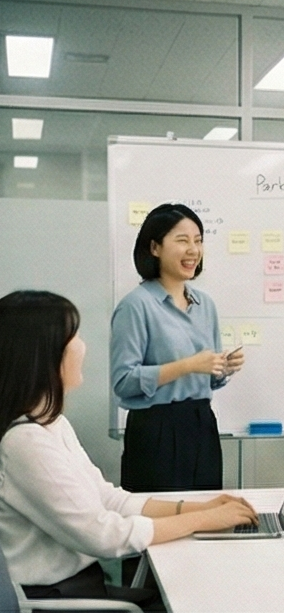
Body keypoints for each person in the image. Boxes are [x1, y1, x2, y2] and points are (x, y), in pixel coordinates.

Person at [0, 290, 258, 606]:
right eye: (73, 337)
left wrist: (200, 508)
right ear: (42, 356)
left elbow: (109, 499)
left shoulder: (51, 423)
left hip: (83, 588)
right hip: (60, 599)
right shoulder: (25, 443)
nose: (82, 346)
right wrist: (204, 521)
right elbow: (105, 536)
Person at [111, 203, 244, 492]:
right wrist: (188, 365)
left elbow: (209, 376)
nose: (193, 250)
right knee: (159, 515)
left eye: (198, 241)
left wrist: (223, 368)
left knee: (207, 510)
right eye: (182, 240)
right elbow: (123, 382)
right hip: (155, 429)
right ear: (155, 247)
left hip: (201, 424)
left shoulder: (205, 304)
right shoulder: (135, 305)